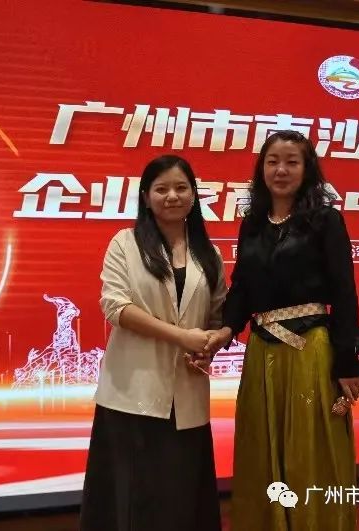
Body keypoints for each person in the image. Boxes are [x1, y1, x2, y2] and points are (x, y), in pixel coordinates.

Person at [208, 130, 359, 530]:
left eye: (292, 162)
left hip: (310, 349)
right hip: (261, 353)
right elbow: (242, 288)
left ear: (307, 169)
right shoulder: (252, 225)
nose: (281, 170)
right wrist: (225, 330)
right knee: (260, 447)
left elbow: (344, 291)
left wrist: (347, 362)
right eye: (273, 161)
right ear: (261, 168)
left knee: (310, 450)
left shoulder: (325, 220)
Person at [80, 155, 225, 531]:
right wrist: (182, 337)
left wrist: (211, 344)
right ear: (146, 197)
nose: (172, 196)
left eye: (181, 188)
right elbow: (116, 307)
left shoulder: (208, 254)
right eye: (161, 189)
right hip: (132, 390)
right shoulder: (125, 243)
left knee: (180, 497)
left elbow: (218, 315)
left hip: (187, 393)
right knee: (133, 497)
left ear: (194, 195)